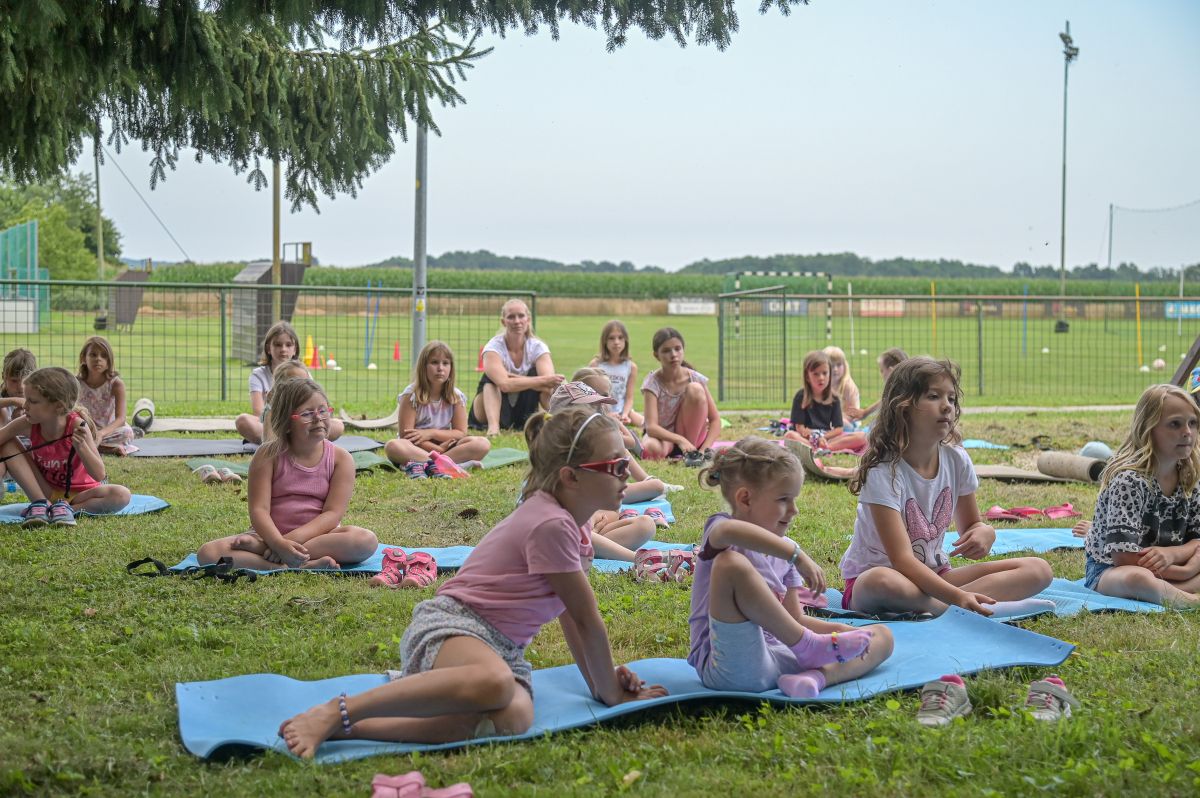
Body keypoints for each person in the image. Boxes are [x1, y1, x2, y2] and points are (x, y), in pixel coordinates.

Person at [277, 407, 668, 757]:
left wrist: (601, 685)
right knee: (495, 683)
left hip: (500, 649)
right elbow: (586, 619)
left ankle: (350, 729)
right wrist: (611, 690)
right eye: (616, 466)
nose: (626, 473)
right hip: (452, 628)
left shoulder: (575, 526)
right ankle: (341, 710)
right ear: (571, 477)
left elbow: (572, 619)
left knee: (516, 716)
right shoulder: (551, 524)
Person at [840, 357, 1054, 617]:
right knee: (879, 580)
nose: (946, 406)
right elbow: (902, 560)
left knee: (1038, 569)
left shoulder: (956, 458)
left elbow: (971, 525)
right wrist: (957, 596)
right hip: (883, 581)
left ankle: (946, 607)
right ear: (903, 407)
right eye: (933, 396)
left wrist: (985, 533)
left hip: (936, 577)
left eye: (951, 399)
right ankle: (967, 608)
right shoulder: (884, 471)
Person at [688, 437, 893, 697]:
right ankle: (808, 647)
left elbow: (795, 619)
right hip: (730, 666)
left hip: (781, 659)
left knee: (881, 636)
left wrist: (845, 635)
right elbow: (729, 532)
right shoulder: (720, 530)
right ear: (745, 499)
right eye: (784, 499)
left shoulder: (786, 549)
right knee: (729, 564)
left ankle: (816, 679)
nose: (794, 510)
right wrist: (797, 556)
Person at [197, 377, 378, 570]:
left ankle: (271, 554)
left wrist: (285, 544)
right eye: (307, 414)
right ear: (287, 422)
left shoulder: (341, 459)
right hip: (268, 536)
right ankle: (289, 566)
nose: (318, 418)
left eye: (323, 410)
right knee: (208, 553)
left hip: (320, 538)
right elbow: (259, 510)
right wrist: (276, 542)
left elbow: (332, 514)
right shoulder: (267, 455)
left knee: (366, 541)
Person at [1083, 384, 1200, 607]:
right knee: (1137, 578)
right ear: (1148, 429)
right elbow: (1123, 558)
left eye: (1193, 423)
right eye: (1175, 424)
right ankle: (1189, 599)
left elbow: (1197, 539)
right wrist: (1184, 571)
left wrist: (1177, 559)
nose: (1187, 432)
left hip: (1170, 564)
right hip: (1112, 570)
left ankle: (1172, 590)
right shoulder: (1129, 481)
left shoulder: (1190, 477)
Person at [0, 366, 132, 526]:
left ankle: (68, 510)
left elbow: (99, 474)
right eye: (26, 399)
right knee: (7, 444)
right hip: (47, 491)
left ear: (58, 406)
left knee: (122, 494)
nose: (25, 406)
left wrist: (82, 448)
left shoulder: (77, 426)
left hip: (81, 494)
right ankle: (40, 504)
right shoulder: (27, 423)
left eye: (32, 401)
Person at [385, 340, 491, 477]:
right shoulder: (411, 395)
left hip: (446, 446)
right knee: (392, 446)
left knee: (482, 444)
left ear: (451, 368)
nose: (440, 368)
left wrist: (431, 433)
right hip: (417, 447)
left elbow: (460, 433)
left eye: (445, 363)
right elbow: (406, 436)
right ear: (423, 366)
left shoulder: (456, 396)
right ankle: (447, 464)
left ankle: (429, 465)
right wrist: (437, 449)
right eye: (434, 362)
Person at [236, 321, 345, 444]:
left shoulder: (303, 373)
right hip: (273, 425)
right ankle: (285, 441)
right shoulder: (258, 374)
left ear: (295, 349)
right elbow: (258, 412)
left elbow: (314, 404)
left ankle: (285, 442)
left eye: (288, 345)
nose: (283, 349)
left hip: (301, 423)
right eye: (278, 345)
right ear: (268, 348)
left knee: (338, 425)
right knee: (243, 421)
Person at [469, 299, 563, 436]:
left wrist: (514, 378)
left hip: (523, 410)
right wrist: (540, 380)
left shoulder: (538, 347)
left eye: (521, 316)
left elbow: (548, 386)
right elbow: (505, 385)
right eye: (511, 317)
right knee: (490, 381)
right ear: (503, 322)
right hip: (486, 413)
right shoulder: (493, 347)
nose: (517, 321)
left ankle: (559, 423)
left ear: (528, 319)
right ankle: (493, 428)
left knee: (543, 384)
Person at [641, 327, 720, 464]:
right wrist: (680, 440)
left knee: (695, 389)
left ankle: (692, 454)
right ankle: (683, 451)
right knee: (651, 447)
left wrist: (704, 450)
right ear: (656, 355)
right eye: (666, 351)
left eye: (677, 349)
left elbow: (715, 420)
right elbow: (651, 427)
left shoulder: (695, 378)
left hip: (692, 437)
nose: (673, 355)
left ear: (683, 350)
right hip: (664, 438)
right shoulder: (652, 383)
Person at [783, 351, 868, 454]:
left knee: (862, 436)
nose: (821, 378)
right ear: (807, 376)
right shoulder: (800, 396)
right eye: (816, 374)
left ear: (829, 374)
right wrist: (814, 437)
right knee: (789, 435)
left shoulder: (834, 398)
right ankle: (817, 449)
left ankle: (820, 449)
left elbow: (838, 429)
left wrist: (823, 437)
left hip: (827, 438)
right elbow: (799, 428)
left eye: (825, 373)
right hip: (807, 437)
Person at [75, 336, 136, 454]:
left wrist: (100, 434)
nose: (98, 359)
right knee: (69, 433)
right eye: (93, 355)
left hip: (108, 431)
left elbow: (121, 419)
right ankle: (107, 448)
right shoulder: (76, 383)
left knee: (127, 433)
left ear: (109, 362)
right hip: (84, 428)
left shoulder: (116, 384)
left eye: (103, 356)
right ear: (83, 358)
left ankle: (92, 445)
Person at [588, 320, 643, 428]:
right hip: (600, 412)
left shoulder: (631, 367)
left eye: (620, 338)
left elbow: (629, 398)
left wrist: (625, 414)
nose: (616, 342)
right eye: (611, 338)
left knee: (647, 425)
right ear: (604, 341)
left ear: (626, 340)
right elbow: (590, 397)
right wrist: (607, 414)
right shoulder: (596, 365)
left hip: (622, 410)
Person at [859, 347, 908, 421]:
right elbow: (883, 401)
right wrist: (865, 413)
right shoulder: (904, 390)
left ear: (891, 371)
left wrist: (865, 413)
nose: (881, 374)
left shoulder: (896, 400)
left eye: (882, 370)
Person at [824, 346, 864, 425]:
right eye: (831, 365)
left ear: (845, 366)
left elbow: (852, 415)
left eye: (839, 365)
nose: (835, 369)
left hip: (850, 423)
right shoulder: (823, 383)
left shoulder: (847, 386)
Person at [0, 348, 35, 425]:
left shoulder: (38, 397)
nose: (21, 387)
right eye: (14, 381)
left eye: (26, 380)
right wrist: (14, 401)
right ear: (4, 377)